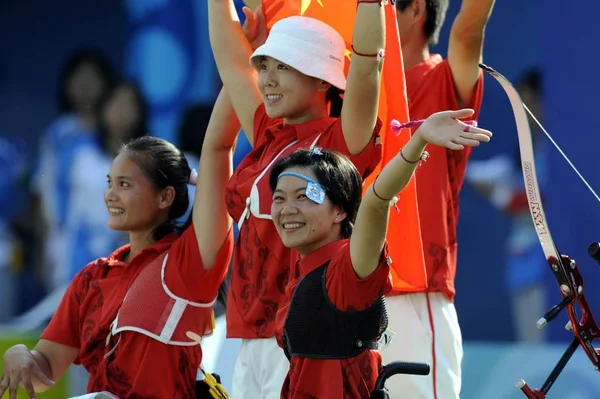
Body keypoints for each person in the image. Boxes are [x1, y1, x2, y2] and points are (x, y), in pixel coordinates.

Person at [0, 90, 238, 397]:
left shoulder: (189, 261)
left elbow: (219, 148)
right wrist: (20, 356)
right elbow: (43, 372)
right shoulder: (91, 278)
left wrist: (242, 62)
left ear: (165, 196)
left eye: (125, 184)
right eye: (109, 183)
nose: (110, 194)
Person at [207, 0, 387, 396]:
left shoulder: (341, 143)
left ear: (323, 80)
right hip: (249, 338)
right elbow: (230, 59)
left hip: (302, 337)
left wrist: (373, 4)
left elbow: (368, 66)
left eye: (283, 67)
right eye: (265, 66)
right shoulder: (269, 137)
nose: (267, 79)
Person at [270, 109, 492, 398]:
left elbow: (376, 201)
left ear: (340, 210)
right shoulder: (303, 271)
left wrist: (418, 141)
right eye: (279, 198)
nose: (287, 209)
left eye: (303, 196)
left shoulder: (348, 269)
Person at [380, 1, 496, 398]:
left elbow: (467, 31)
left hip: (415, 292)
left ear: (415, 10)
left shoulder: (444, 77)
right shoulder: (355, 87)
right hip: (349, 288)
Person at [466, 68, 548, 343]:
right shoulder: (528, 150)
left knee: (548, 349)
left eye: (531, 103)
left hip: (548, 269)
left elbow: (541, 203)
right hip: (522, 265)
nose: (527, 113)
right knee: (530, 347)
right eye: (521, 105)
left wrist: (498, 195)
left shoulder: (553, 152)